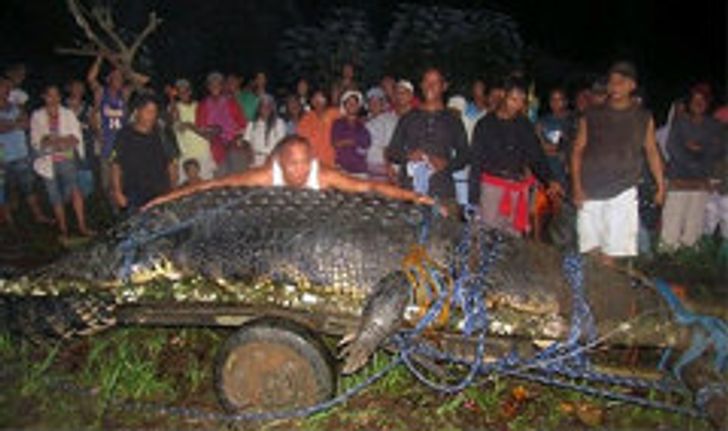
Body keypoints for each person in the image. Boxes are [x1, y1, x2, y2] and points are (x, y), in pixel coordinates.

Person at [144, 134, 433, 210]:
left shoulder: (322, 175)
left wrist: (413, 196)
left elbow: (370, 187)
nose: (300, 170)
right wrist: (164, 199)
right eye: (292, 163)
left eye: (305, 161)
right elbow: (212, 185)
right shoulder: (266, 176)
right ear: (279, 163)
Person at [571, 61, 665, 263]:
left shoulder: (643, 117)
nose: (614, 87)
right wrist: (577, 187)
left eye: (620, 82)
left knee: (611, 252)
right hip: (590, 188)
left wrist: (661, 185)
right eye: (611, 82)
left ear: (632, 85)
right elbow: (577, 150)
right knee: (589, 250)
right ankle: (590, 292)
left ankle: (606, 292)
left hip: (622, 190)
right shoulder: (592, 114)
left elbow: (652, 151)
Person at [469, 80, 562, 235]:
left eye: (521, 101)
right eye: (513, 99)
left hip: (517, 189)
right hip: (491, 188)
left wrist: (549, 179)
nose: (517, 105)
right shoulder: (485, 124)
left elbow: (536, 156)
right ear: (503, 96)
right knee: (487, 237)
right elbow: (476, 162)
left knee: (513, 240)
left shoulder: (524, 125)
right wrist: (473, 199)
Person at [387, 68, 469, 203]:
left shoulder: (453, 120)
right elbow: (392, 152)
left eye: (435, 82)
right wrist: (409, 155)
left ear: (444, 86)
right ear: (421, 85)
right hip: (410, 190)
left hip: (441, 189)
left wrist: (446, 164)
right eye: (426, 82)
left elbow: (465, 154)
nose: (430, 86)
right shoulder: (408, 117)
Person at [660, 84, 725, 249]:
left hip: (701, 182)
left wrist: (698, 149)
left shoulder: (715, 126)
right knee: (672, 222)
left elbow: (716, 151)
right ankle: (667, 258)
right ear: (690, 102)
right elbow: (672, 148)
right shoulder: (680, 123)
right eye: (695, 99)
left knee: (694, 224)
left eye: (702, 100)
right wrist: (694, 158)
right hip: (679, 181)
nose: (698, 103)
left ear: (708, 103)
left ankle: (688, 260)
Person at [30, 85, 93, 239]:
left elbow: (75, 138)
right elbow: (38, 141)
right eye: (50, 95)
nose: (54, 98)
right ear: (44, 97)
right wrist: (59, 141)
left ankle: (82, 225)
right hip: (47, 162)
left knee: (74, 190)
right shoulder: (37, 116)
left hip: (67, 160)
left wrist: (54, 141)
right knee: (55, 196)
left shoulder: (67, 114)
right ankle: (63, 228)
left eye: (57, 95)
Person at [110, 95, 175, 212]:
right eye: (148, 111)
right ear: (137, 112)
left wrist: (173, 190)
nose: (152, 116)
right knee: (136, 228)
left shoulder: (163, 134)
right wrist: (117, 191)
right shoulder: (124, 135)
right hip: (133, 194)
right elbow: (116, 165)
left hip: (160, 192)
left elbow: (171, 163)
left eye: (154, 112)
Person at [0, 77, 51, 224]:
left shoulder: (16, 106)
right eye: (2, 87)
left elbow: (27, 124)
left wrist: (9, 125)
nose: (5, 90)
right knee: (4, 188)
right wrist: (15, 124)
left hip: (21, 153)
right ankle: (8, 220)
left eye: (6, 87)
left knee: (29, 187)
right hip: (2, 156)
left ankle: (38, 216)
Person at [196, 72, 248, 176]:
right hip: (216, 152)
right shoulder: (203, 105)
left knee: (239, 182)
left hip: (235, 148)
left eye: (218, 84)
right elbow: (201, 129)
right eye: (212, 84)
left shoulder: (231, 102)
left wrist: (236, 139)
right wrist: (212, 130)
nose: (215, 87)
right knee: (221, 185)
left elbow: (243, 125)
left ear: (222, 86)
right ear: (208, 87)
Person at [170, 79, 215, 183]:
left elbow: (208, 131)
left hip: (203, 152)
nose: (183, 93)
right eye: (180, 91)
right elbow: (177, 122)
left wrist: (190, 126)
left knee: (206, 185)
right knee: (185, 189)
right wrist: (171, 96)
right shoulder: (174, 107)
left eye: (185, 90)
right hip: (186, 154)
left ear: (190, 91)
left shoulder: (200, 106)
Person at [65, 79, 96, 198]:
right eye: (76, 87)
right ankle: (70, 197)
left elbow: (93, 126)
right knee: (69, 171)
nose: (78, 90)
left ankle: (86, 198)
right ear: (69, 89)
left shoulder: (88, 107)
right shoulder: (63, 107)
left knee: (86, 170)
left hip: (86, 144)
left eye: (81, 88)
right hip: (67, 146)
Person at [330, 91, 370, 177]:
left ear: (359, 106)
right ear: (344, 106)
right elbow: (335, 143)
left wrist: (347, 142)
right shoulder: (338, 123)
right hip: (342, 169)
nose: (352, 105)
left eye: (355, 103)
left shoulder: (363, 125)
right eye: (349, 102)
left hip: (360, 169)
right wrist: (355, 141)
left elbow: (366, 144)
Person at [297, 90, 339, 167]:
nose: (318, 101)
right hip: (312, 162)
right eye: (315, 98)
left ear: (326, 99)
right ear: (311, 101)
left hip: (333, 161)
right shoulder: (306, 118)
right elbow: (303, 140)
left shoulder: (335, 113)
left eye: (321, 98)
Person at [244, 94, 287, 167]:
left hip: (273, 159)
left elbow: (281, 143)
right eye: (263, 105)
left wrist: (271, 157)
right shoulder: (252, 124)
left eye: (268, 105)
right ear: (259, 108)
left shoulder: (279, 123)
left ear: (272, 108)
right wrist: (248, 150)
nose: (266, 108)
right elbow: (246, 141)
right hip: (255, 159)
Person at [365, 87, 398, 181]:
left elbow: (388, 145)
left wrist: (388, 166)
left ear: (383, 104)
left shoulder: (389, 119)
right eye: (371, 102)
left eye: (377, 101)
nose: (374, 104)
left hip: (383, 167)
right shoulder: (368, 121)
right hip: (369, 167)